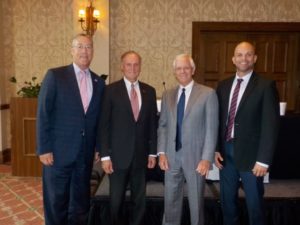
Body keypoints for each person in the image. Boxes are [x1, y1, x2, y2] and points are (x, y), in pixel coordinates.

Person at [36, 33, 105, 225]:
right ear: (72, 50)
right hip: (57, 154)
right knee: (56, 202)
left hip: (84, 155)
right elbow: (43, 114)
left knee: (80, 204)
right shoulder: (55, 76)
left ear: (93, 52)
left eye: (89, 47)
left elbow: (98, 119)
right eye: (80, 46)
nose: (85, 51)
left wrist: (98, 147)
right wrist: (44, 148)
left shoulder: (99, 83)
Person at [215, 41, 280, 225]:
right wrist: (216, 148)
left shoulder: (265, 86)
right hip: (226, 153)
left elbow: (271, 125)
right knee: (228, 203)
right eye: (240, 55)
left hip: (252, 157)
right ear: (233, 59)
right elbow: (219, 120)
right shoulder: (223, 85)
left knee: (254, 204)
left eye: (248, 54)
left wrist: (263, 160)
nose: (244, 58)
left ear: (255, 58)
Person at [158, 54, 219, 225]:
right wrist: (162, 153)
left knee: (196, 203)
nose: (182, 71)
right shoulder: (167, 95)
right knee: (170, 201)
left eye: (186, 68)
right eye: (179, 68)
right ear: (174, 72)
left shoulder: (208, 94)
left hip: (196, 158)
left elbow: (211, 128)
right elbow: (162, 126)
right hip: (170, 157)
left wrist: (206, 158)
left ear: (193, 70)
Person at [97, 51, 157, 225]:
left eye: (136, 64)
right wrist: (105, 156)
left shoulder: (149, 91)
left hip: (141, 156)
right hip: (116, 157)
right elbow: (104, 125)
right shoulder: (110, 91)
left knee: (140, 200)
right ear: (122, 67)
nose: (133, 68)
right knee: (116, 200)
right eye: (129, 64)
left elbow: (152, 125)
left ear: (140, 67)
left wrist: (152, 153)